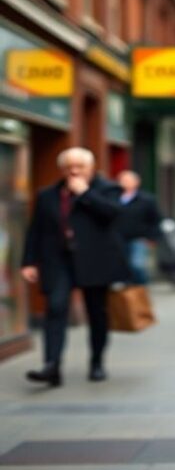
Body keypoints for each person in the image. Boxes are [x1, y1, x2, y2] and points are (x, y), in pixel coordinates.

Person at [21, 147, 129, 386]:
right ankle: (52, 366)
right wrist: (29, 261)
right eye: (69, 167)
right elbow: (36, 230)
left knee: (96, 312)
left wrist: (85, 193)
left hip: (95, 260)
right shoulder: (47, 194)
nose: (74, 172)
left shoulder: (108, 189)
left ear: (92, 168)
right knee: (56, 308)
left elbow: (113, 214)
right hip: (58, 260)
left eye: (80, 167)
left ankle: (97, 362)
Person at [114, 171, 162, 285]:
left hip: (139, 238)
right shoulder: (113, 198)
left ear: (137, 182)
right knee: (122, 269)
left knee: (137, 266)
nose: (125, 183)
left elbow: (156, 219)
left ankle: (141, 290)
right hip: (118, 239)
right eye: (123, 180)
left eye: (128, 180)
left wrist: (152, 238)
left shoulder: (147, 200)